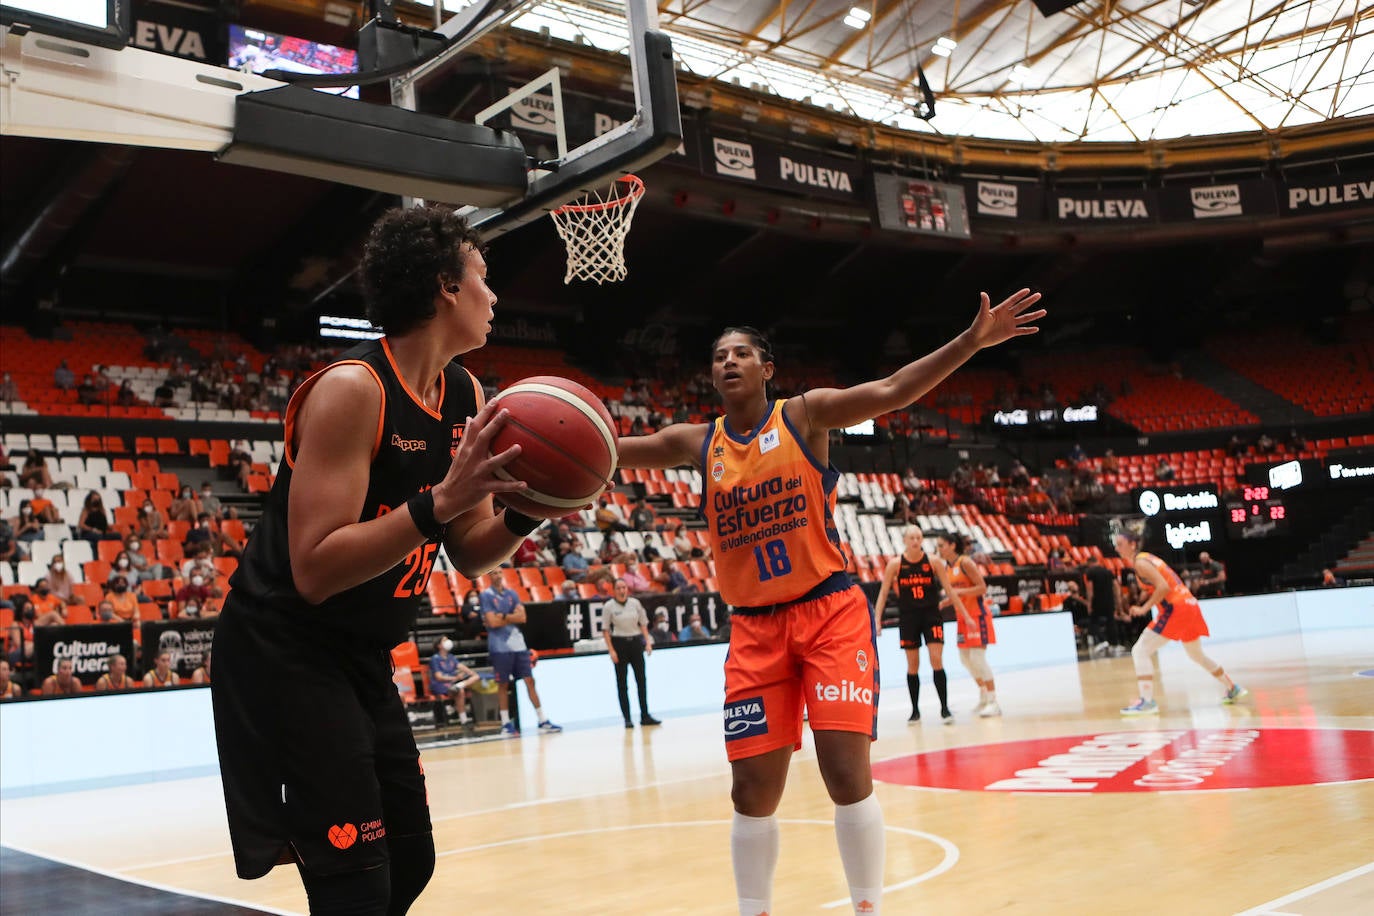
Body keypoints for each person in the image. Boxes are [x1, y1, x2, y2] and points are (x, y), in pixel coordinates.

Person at [614, 289, 1043, 916]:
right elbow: (598, 455)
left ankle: (868, 907)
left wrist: (971, 341)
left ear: (768, 369)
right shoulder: (693, 442)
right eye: (718, 356)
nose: (728, 362)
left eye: (742, 353)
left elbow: (894, 390)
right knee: (751, 791)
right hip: (754, 629)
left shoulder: (804, 416)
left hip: (828, 613)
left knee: (844, 773)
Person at [210, 204, 540, 915]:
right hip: (284, 646)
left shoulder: (465, 395)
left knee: (409, 861)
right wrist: (438, 503)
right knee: (355, 881)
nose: (494, 295)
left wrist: (531, 509)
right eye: (484, 278)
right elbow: (317, 570)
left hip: (360, 655)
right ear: (447, 288)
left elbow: (471, 552)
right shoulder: (353, 391)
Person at [1113, 530, 1246, 715]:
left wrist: (1144, 609)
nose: (1117, 548)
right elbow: (1159, 585)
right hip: (1190, 604)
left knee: (1140, 650)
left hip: (1176, 609)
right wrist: (1143, 599)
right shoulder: (1148, 559)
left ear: (1132, 545)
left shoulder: (1140, 563)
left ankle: (1147, 701)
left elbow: (1163, 587)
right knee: (1196, 655)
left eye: (1120, 544)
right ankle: (1232, 688)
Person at [873, 526, 952, 725]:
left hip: (931, 615)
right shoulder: (895, 564)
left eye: (918, 537)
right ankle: (915, 711)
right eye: (911, 538)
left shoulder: (934, 562)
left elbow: (949, 590)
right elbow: (883, 593)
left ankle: (944, 708)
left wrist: (962, 612)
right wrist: (877, 620)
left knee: (936, 660)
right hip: (909, 618)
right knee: (912, 665)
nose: (915, 541)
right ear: (905, 540)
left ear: (922, 539)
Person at [481, 578, 561, 736]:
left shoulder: (512, 593)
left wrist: (502, 616)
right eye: (494, 572)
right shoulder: (486, 595)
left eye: (499, 572)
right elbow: (492, 622)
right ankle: (505, 724)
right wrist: (511, 616)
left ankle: (542, 720)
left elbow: (522, 617)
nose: (497, 574)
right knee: (503, 684)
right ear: (490, 576)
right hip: (499, 647)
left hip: (519, 644)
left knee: (530, 681)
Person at [936, 532, 1000, 718]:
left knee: (978, 658)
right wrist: (948, 601)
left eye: (941, 545)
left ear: (952, 545)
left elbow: (982, 588)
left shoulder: (965, 562)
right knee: (965, 659)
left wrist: (958, 592)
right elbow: (956, 594)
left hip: (977, 615)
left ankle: (993, 701)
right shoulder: (947, 567)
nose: (939, 549)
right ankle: (983, 693)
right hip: (962, 618)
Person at [602, 578, 659, 728]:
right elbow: (606, 630)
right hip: (619, 644)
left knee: (641, 681)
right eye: (619, 588)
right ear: (614, 590)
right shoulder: (609, 606)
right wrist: (611, 650)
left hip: (635, 642)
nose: (622, 590)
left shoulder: (635, 603)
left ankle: (645, 715)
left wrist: (647, 642)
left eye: (624, 587)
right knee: (622, 683)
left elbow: (643, 624)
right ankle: (627, 718)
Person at [427, 636, 479, 729]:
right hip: (440, 685)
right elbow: (439, 677)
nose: (448, 642)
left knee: (476, 676)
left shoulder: (451, 657)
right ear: (439, 645)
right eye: (444, 640)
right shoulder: (435, 658)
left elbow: (461, 666)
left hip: (453, 683)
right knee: (460, 691)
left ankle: (458, 686)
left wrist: (471, 672)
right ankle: (464, 721)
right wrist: (454, 678)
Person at [1082, 554, 1121, 656]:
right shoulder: (1108, 571)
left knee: (1093, 622)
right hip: (1109, 600)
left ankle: (1102, 641)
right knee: (1111, 622)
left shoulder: (1090, 572)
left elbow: (1090, 589)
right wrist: (1117, 601)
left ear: (1090, 563)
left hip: (1097, 601)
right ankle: (1114, 644)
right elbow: (1116, 586)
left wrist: (1089, 603)